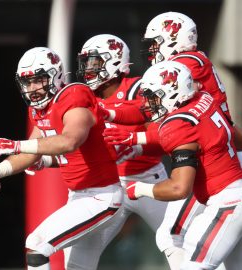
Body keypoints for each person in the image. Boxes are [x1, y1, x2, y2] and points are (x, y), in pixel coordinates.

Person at [103, 11, 241, 270]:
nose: (151, 50)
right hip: (227, 167)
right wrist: (111, 113)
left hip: (222, 184)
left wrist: (135, 141)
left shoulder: (183, 86)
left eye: (155, 43)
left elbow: (179, 181)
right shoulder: (200, 96)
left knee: (180, 243)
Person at [0, 47, 124, 270]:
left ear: (55, 75)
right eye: (27, 83)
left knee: (37, 245)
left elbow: (70, 140)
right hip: (79, 197)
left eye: (38, 80)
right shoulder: (40, 110)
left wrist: (16, 144)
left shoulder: (74, 97)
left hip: (100, 197)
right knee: (78, 267)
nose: (32, 89)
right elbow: (31, 153)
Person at [126, 60, 242, 269]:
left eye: (152, 97)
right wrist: (136, 139)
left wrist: (139, 188)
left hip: (227, 202)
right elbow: (233, 135)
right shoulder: (204, 99)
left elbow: (179, 188)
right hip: (235, 192)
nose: (147, 104)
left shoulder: (179, 125)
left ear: (173, 93)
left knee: (193, 263)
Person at [71, 33, 169, 267]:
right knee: (80, 252)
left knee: (177, 241)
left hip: (147, 179)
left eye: (94, 62)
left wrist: (132, 145)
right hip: (106, 184)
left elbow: (164, 138)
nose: (88, 69)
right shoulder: (83, 98)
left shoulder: (139, 88)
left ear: (114, 61)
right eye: (86, 62)